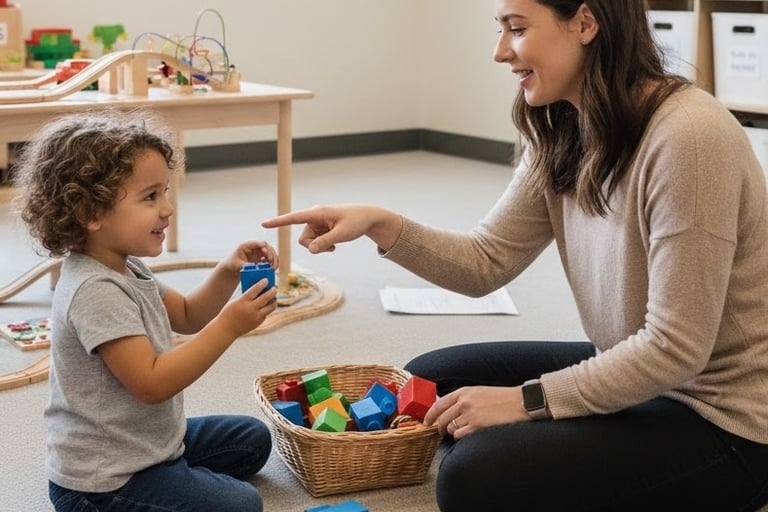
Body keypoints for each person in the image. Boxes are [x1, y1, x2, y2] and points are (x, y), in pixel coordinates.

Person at [262, 0, 768, 510]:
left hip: (726, 420)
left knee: (473, 477)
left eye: (517, 29)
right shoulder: (561, 125)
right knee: (428, 381)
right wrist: (382, 224)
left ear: (587, 23)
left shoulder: (690, 138)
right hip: (637, 375)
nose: (500, 52)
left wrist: (528, 402)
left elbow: (675, 348)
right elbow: (486, 261)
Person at [12, 109, 279, 512]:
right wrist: (231, 325)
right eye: (151, 196)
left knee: (252, 438)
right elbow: (151, 384)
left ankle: (175, 477)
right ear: (91, 213)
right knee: (242, 505)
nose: (168, 208)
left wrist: (227, 271)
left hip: (146, 441)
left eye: (166, 192)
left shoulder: (124, 263)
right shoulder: (94, 290)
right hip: (103, 480)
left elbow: (188, 314)